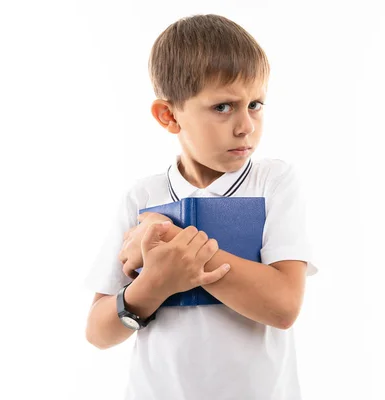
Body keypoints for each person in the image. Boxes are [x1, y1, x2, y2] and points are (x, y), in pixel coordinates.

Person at [83, 13, 318, 400]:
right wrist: (153, 284)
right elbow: (97, 331)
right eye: (223, 107)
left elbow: (283, 307)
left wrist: (170, 241)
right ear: (169, 115)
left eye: (255, 104)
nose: (246, 126)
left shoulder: (273, 182)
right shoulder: (142, 198)